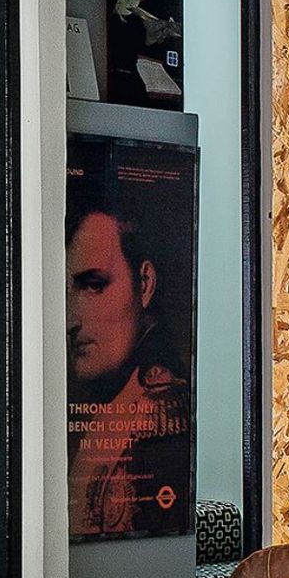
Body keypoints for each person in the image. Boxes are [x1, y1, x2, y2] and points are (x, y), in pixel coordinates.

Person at [66, 206, 191, 539]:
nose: (71, 321)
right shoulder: (111, 407)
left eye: (94, 286)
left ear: (145, 283)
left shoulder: (161, 410)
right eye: (66, 294)